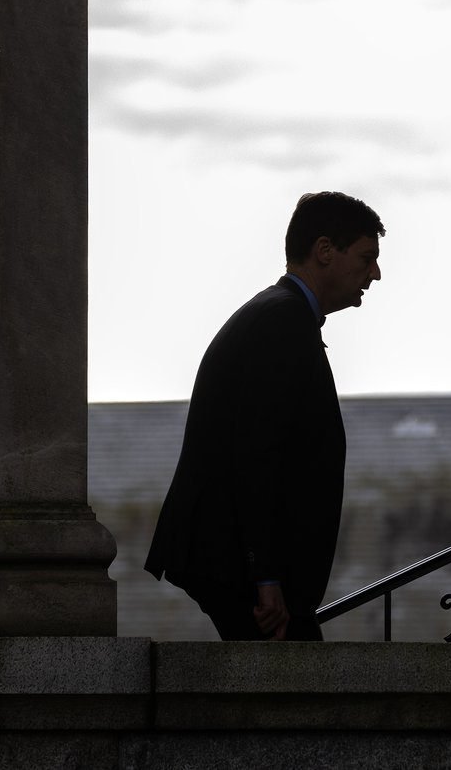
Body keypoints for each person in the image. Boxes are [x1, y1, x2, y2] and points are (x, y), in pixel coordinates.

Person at [144, 191, 384, 640]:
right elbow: (257, 453)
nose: (375, 273)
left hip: (237, 564)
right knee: (299, 679)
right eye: (366, 257)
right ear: (325, 250)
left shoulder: (279, 314)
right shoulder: (284, 322)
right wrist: (266, 576)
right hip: (242, 571)